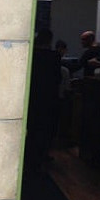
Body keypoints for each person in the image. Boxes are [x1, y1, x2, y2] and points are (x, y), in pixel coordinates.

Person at [24, 28, 62, 173]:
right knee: (45, 130)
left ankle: (28, 157)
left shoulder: (31, 54)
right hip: (49, 98)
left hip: (32, 96)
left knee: (31, 128)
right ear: (50, 40)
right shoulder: (54, 56)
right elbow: (57, 78)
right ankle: (40, 157)